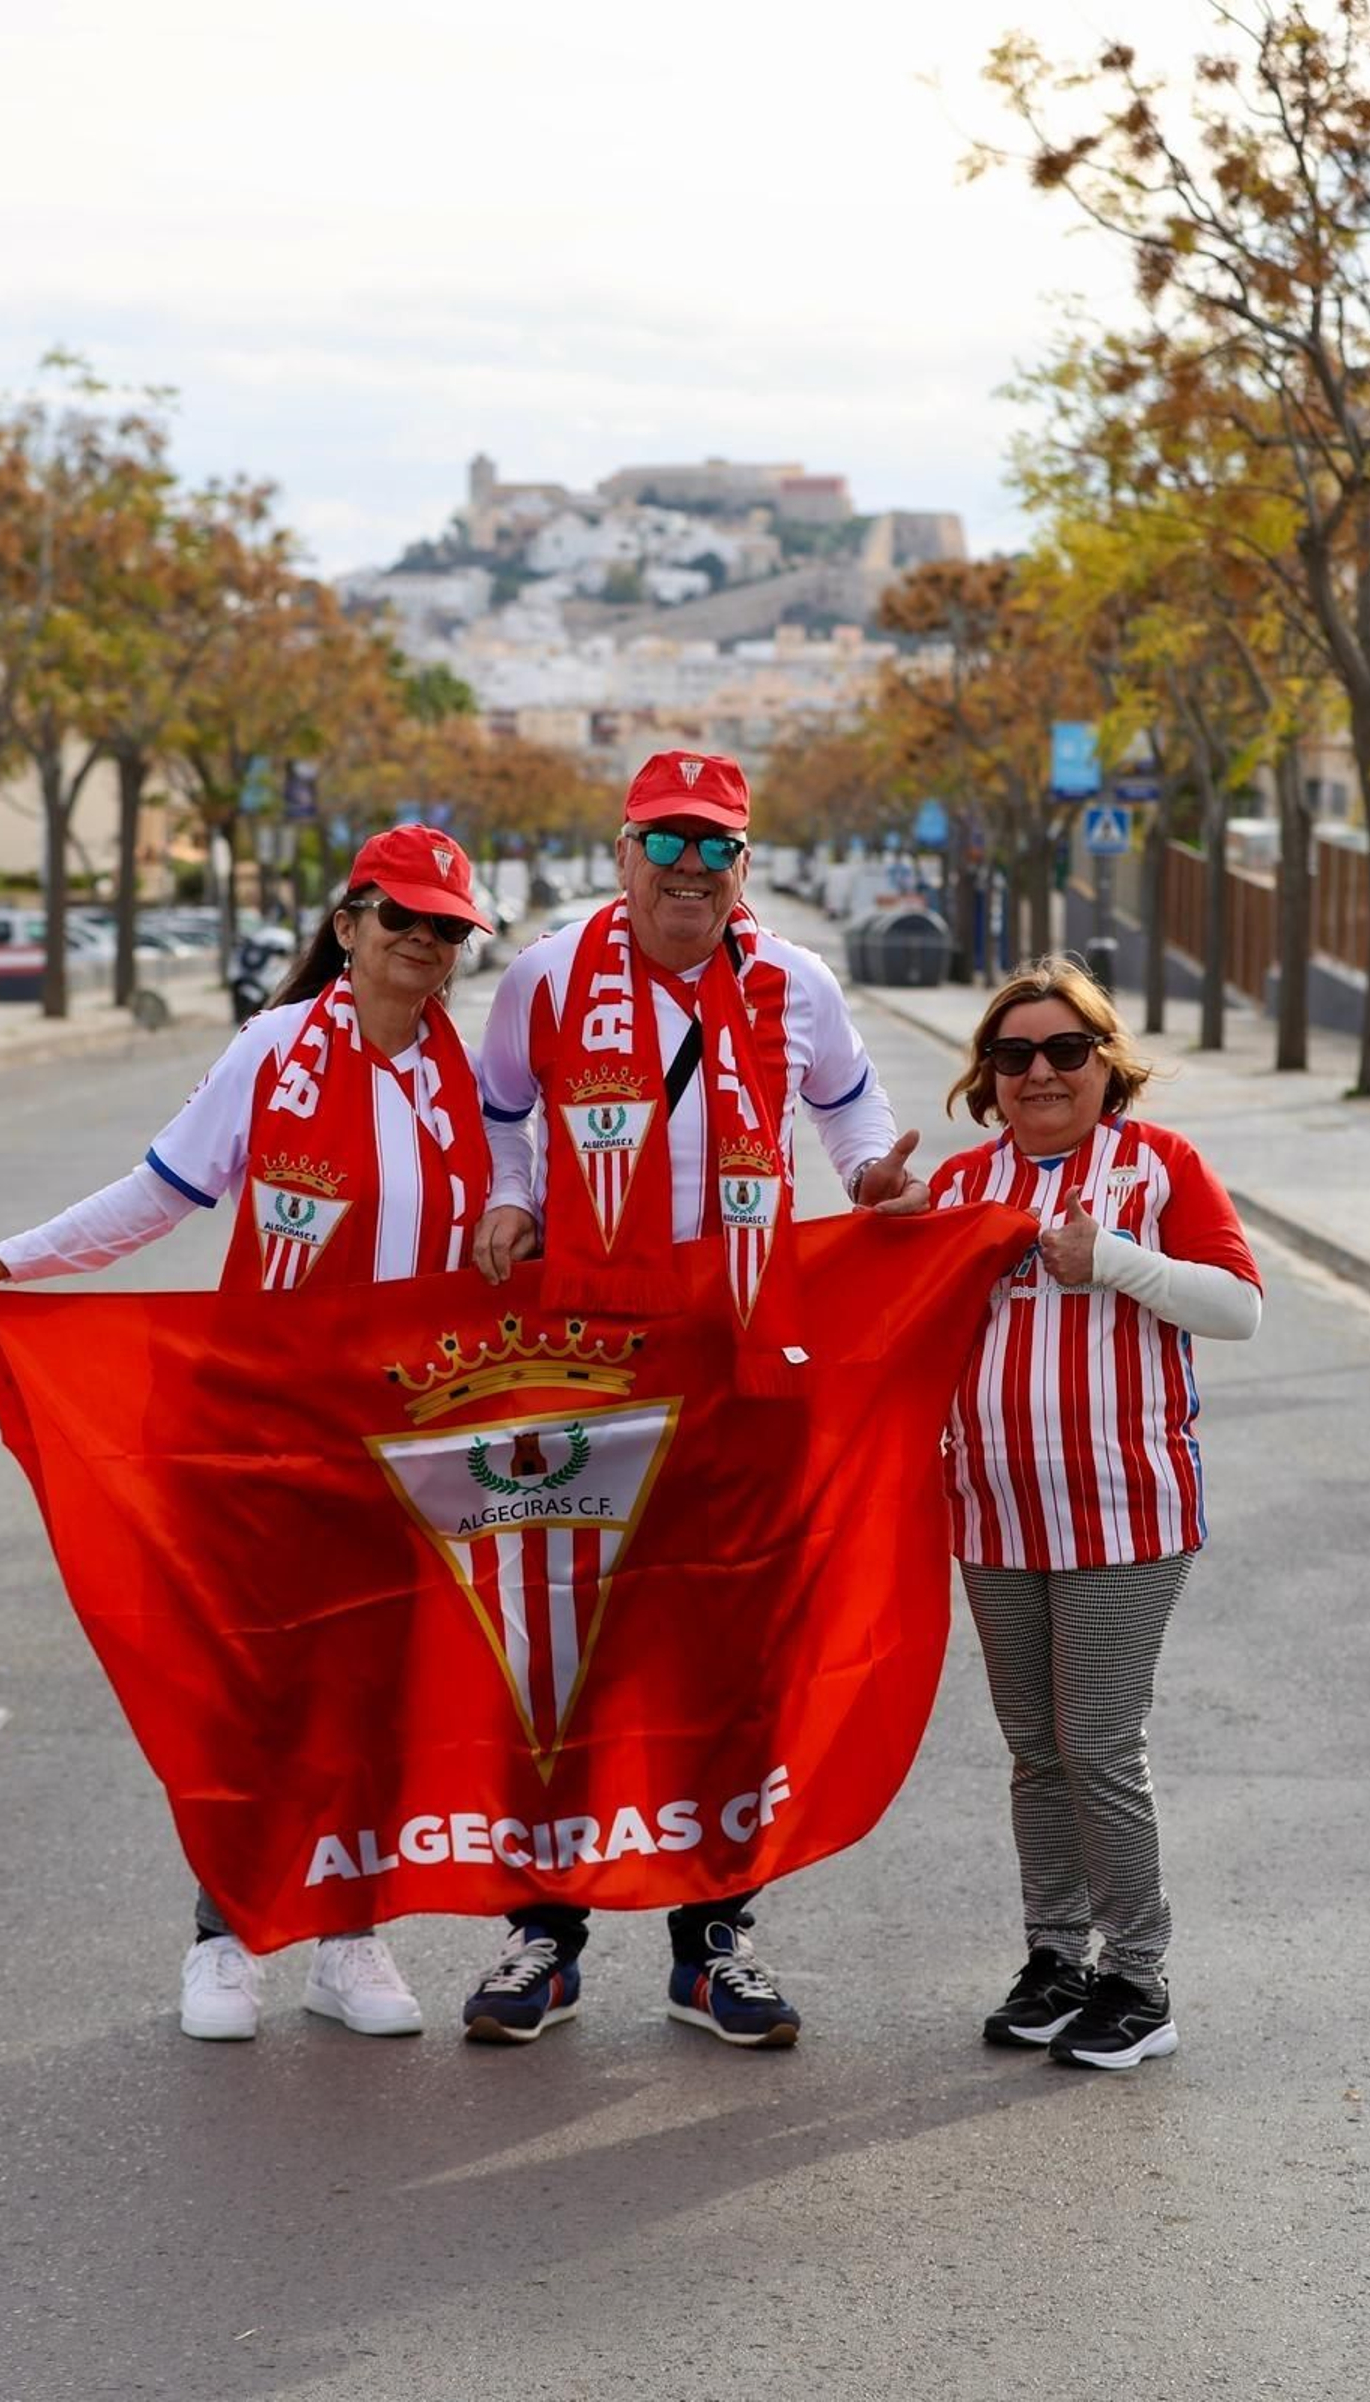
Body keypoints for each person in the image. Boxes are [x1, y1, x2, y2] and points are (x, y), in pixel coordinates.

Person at [0, 825, 497, 2045]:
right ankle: (225, 1934)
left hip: (412, 1442)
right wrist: (7, 1260)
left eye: (446, 928)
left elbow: (535, 1222)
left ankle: (348, 1935)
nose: (423, 944)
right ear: (348, 927)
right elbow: (157, 1193)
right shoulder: (273, 1053)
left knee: (377, 1691)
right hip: (266, 1429)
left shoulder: (473, 1082)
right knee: (260, 1687)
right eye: (402, 920)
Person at [463, 747, 931, 2049]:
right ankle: (542, 1937)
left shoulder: (794, 981)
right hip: (580, 1367)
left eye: (715, 845)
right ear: (623, 850)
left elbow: (849, 1114)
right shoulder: (546, 975)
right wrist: (513, 1195)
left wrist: (876, 1184)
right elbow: (503, 1112)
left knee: (726, 1661)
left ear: (745, 861)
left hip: (740, 1368)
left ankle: (712, 1942)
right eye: (666, 842)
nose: (689, 868)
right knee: (562, 1659)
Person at [927, 956, 1262, 2070]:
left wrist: (1112, 1260)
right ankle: (1055, 1955)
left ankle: (1139, 1976)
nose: (1039, 1071)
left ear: (1105, 1065)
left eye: (1064, 1050)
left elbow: (1236, 1305)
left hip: (1122, 1512)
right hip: (994, 1509)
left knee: (1098, 1741)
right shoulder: (963, 1183)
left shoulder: (1159, 1166)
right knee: (1034, 1749)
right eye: (1013, 1053)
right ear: (989, 1074)